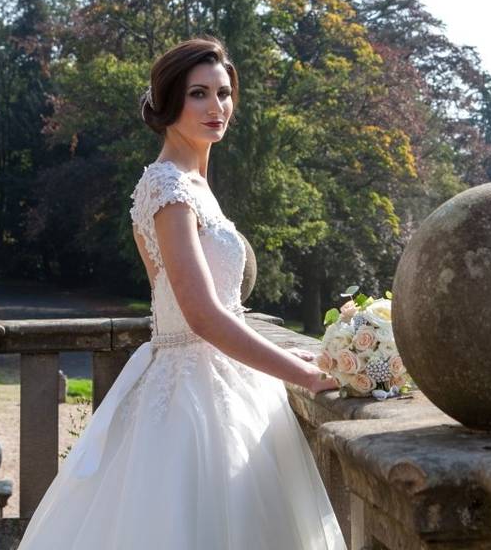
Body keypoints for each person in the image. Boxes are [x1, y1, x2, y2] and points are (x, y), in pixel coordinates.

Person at [17, 37, 345, 549]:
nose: (217, 107)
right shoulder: (168, 187)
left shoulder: (195, 184)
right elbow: (201, 314)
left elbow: (221, 306)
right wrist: (301, 374)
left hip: (228, 383)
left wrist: (283, 351)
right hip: (191, 400)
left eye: (223, 92)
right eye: (199, 94)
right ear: (169, 102)